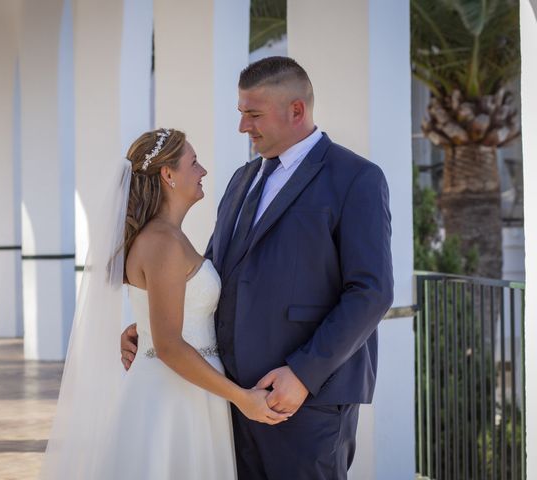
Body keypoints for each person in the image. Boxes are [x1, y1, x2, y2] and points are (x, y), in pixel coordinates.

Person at [121, 56, 394, 479]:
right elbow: (211, 276)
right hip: (230, 398)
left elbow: (371, 293)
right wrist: (156, 327)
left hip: (305, 403)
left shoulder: (356, 178)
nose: (243, 127)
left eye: (253, 114)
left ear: (296, 111)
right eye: (241, 113)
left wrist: (303, 374)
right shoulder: (241, 179)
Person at [40, 128, 291, 480]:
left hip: (190, 390)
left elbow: (169, 319)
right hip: (176, 397)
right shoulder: (163, 243)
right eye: (194, 163)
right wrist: (242, 398)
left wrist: (140, 328)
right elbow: (170, 346)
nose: (203, 171)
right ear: (168, 175)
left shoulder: (165, 237)